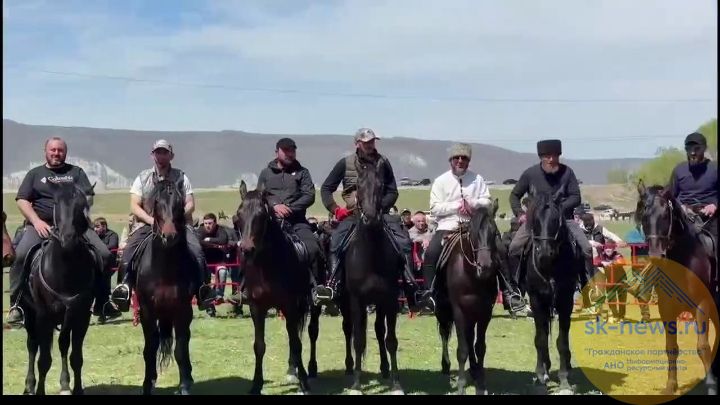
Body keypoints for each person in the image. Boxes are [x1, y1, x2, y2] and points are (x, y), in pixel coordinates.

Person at [6, 137, 121, 325]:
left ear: (65, 153)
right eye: (53, 150)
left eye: (60, 150)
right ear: (46, 151)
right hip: (42, 225)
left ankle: (102, 301)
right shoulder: (35, 174)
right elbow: (22, 200)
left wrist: (79, 204)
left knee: (105, 255)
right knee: (20, 256)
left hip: (76, 225)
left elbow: (89, 197)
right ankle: (16, 305)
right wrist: (36, 221)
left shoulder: (76, 172)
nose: (56, 153)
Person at [312, 128, 421, 310]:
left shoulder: (383, 162)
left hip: (380, 214)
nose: (370, 145)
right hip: (353, 215)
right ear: (357, 143)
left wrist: (379, 207)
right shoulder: (345, 163)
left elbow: (392, 191)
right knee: (336, 241)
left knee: (403, 241)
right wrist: (336, 209)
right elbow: (326, 189)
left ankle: (411, 287)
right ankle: (334, 285)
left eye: (372, 141)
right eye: (366, 142)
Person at [416, 143, 527, 315]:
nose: (460, 161)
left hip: (475, 224)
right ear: (451, 160)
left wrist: (472, 204)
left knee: (499, 248)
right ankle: (429, 295)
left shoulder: (478, 179)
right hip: (449, 224)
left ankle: (510, 293)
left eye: (464, 158)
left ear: (468, 161)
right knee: (431, 252)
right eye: (457, 158)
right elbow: (435, 208)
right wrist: (456, 206)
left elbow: (488, 201)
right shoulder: (440, 181)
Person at [111, 139, 210, 312]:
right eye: (158, 152)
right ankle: (123, 288)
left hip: (178, 225)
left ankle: (203, 290)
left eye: (164, 152)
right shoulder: (143, 177)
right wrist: (152, 221)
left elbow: (190, 203)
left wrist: (175, 218)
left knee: (197, 251)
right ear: (152, 155)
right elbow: (134, 205)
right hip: (147, 224)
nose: (161, 156)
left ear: (171, 156)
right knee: (128, 252)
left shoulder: (181, 177)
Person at [508, 139, 595, 292]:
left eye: (555, 156)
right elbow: (514, 195)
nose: (551, 159)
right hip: (536, 222)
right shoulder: (530, 174)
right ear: (541, 157)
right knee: (514, 247)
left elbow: (576, 197)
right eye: (547, 156)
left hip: (564, 220)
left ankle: (587, 284)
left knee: (586, 248)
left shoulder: (567, 172)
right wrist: (520, 213)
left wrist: (558, 209)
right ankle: (516, 289)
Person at [254, 137, 322, 290]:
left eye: (292, 150)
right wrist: (274, 206)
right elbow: (259, 196)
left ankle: (318, 289)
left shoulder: (303, 172)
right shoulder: (266, 173)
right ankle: (245, 289)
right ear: (276, 152)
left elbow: (309, 196)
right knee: (249, 248)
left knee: (313, 248)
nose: (289, 153)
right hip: (270, 223)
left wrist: (289, 208)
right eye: (285, 151)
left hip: (297, 222)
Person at [668, 132, 717, 259]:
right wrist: (680, 207)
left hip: (710, 218)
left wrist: (715, 205)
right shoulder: (679, 170)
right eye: (689, 149)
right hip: (684, 217)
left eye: (697, 148)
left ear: (704, 148)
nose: (692, 153)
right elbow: (670, 195)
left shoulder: (714, 169)